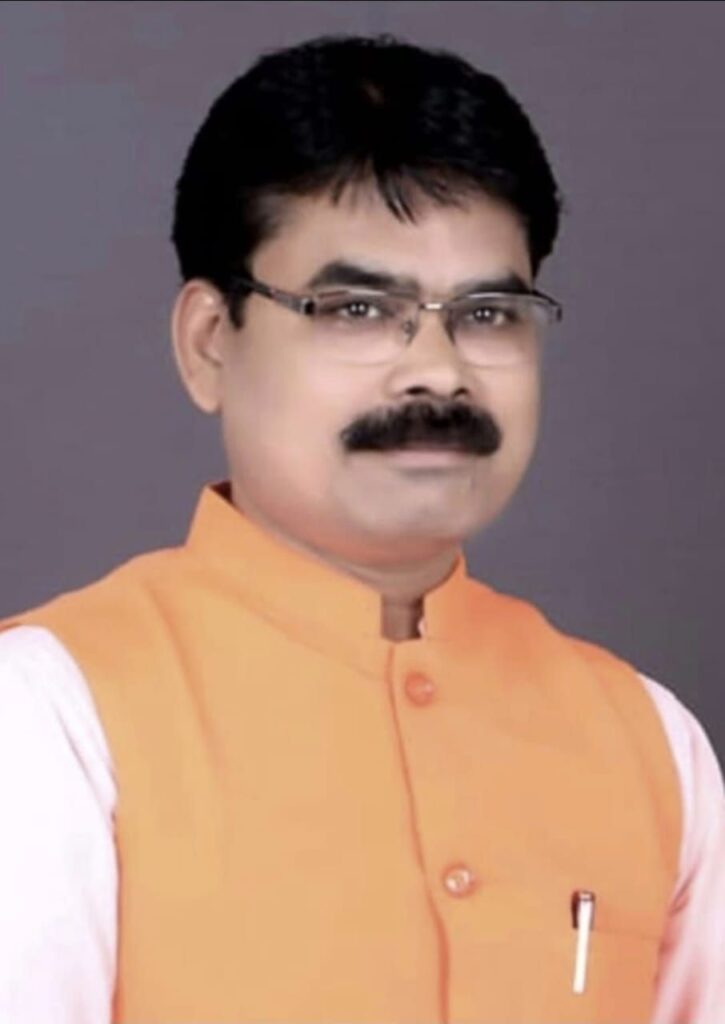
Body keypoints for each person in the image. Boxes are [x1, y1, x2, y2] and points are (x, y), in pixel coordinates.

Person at [0, 33, 723, 1024]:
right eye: (356, 309)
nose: (437, 371)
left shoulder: (648, 741)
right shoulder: (49, 718)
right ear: (209, 344)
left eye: (488, 313)